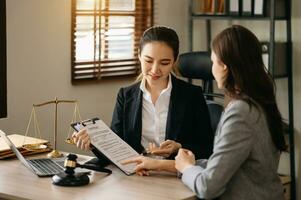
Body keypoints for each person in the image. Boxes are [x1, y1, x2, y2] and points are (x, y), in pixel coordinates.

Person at [123, 25, 286, 199]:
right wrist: (166, 165)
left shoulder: (240, 113)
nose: (212, 69)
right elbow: (220, 165)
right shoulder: (259, 102)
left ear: (223, 66)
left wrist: (186, 167)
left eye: (213, 61)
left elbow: (207, 187)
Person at [72, 26, 213, 163]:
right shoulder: (126, 96)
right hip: (136, 173)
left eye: (164, 63)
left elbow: (207, 149)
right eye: (148, 61)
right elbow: (115, 148)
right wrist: (93, 143)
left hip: (175, 174)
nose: (155, 69)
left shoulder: (192, 95)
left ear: (175, 61)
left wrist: (179, 148)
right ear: (139, 55)